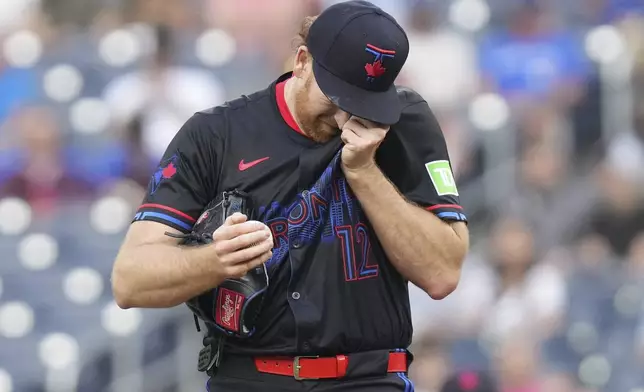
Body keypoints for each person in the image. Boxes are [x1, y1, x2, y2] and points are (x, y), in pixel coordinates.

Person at [111, 1, 469, 391]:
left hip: (367, 378)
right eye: (336, 98)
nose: (344, 117)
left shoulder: (403, 123)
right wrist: (215, 261)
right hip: (250, 377)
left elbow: (441, 273)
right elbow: (130, 280)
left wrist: (365, 172)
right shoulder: (216, 135)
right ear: (301, 61)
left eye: (363, 103)